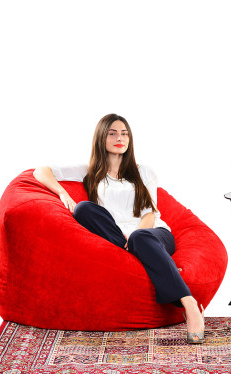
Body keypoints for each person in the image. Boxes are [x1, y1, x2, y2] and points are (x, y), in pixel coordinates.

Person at [33, 113, 205, 343]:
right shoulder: (89, 170)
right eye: (112, 133)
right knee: (83, 209)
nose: (119, 138)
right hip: (117, 236)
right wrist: (63, 193)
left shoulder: (145, 172)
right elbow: (40, 171)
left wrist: (135, 235)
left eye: (124, 133)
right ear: (101, 137)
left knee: (140, 238)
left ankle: (189, 304)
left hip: (153, 234)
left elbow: (150, 214)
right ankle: (144, 255)